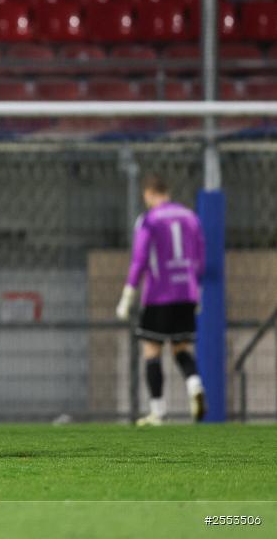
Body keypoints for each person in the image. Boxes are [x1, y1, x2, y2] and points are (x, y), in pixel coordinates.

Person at [115, 174, 207, 426]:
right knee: (181, 349)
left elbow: (140, 260)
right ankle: (195, 386)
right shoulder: (191, 217)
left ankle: (158, 411)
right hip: (186, 293)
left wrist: (127, 296)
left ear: (148, 193)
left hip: (159, 294)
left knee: (151, 350)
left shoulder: (149, 220)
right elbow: (200, 258)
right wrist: (196, 291)